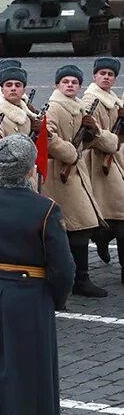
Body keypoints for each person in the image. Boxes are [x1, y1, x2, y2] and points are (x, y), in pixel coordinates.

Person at [0, 135, 75, 415]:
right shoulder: (45, 208)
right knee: (29, 370)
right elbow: (63, 268)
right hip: (29, 295)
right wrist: (56, 299)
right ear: (29, 169)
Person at [42, 65, 107, 297]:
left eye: (74, 82)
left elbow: (89, 141)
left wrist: (92, 132)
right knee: (80, 225)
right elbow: (47, 138)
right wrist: (69, 151)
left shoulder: (78, 107)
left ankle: (74, 277)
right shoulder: (54, 107)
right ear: (58, 85)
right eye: (65, 81)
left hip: (74, 172)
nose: (70, 85)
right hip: (59, 174)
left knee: (80, 225)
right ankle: (78, 279)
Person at [83, 58, 124, 282]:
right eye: (102, 73)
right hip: (100, 160)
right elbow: (90, 134)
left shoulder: (112, 98)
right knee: (119, 210)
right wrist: (109, 140)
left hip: (116, 156)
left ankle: (103, 236)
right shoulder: (92, 99)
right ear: (94, 76)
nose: (106, 77)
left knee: (116, 212)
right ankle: (102, 235)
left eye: (110, 74)